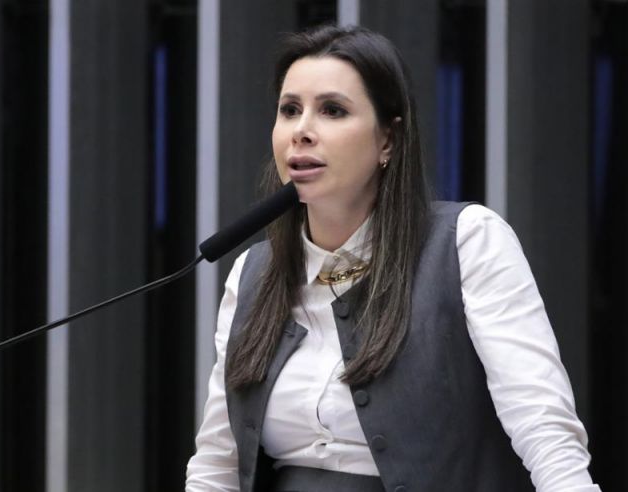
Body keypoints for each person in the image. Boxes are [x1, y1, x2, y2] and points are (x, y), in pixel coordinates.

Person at [186, 25, 599, 492]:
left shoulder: (468, 242)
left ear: (388, 139)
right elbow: (217, 464)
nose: (302, 131)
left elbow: (541, 420)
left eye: (332, 111)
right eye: (289, 110)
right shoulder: (253, 273)